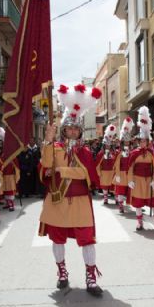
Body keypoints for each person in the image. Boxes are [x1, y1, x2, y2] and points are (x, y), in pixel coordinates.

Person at [38, 84, 103, 295]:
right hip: (57, 200)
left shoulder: (84, 152)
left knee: (87, 238)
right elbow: (46, 166)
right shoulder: (54, 148)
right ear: (64, 130)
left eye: (76, 129)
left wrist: (63, 171)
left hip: (80, 202)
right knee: (57, 238)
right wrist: (47, 140)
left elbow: (88, 175)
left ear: (79, 131)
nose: (73, 132)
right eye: (69, 129)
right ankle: (62, 272)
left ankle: (91, 277)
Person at [127, 107, 154, 232]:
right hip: (138, 180)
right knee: (138, 202)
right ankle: (139, 222)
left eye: (144, 141)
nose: (142, 143)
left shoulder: (151, 153)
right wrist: (130, 180)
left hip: (149, 181)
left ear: (147, 142)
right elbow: (130, 168)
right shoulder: (134, 153)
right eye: (140, 141)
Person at [0, 127, 20, 212]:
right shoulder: (2, 155)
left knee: (9, 190)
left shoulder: (12, 155)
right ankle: (7, 203)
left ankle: (11, 205)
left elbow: (16, 165)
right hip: (3, 175)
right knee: (5, 190)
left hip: (10, 175)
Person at [114, 117, 134, 214]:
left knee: (130, 190)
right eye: (125, 141)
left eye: (128, 142)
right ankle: (121, 205)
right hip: (121, 174)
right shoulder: (119, 153)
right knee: (121, 190)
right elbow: (117, 165)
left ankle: (133, 204)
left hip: (129, 174)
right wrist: (117, 175)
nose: (127, 143)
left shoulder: (132, 152)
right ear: (122, 143)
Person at [96, 125, 118, 205]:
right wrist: (99, 173)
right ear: (104, 145)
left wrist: (116, 171)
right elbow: (98, 164)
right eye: (106, 145)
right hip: (104, 172)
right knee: (105, 186)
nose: (108, 146)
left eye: (109, 145)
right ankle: (105, 199)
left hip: (112, 172)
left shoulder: (113, 153)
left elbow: (116, 162)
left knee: (114, 185)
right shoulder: (101, 153)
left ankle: (116, 199)